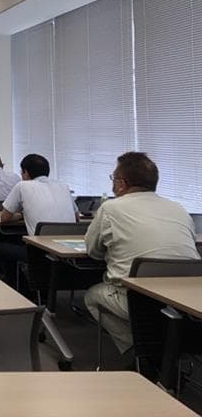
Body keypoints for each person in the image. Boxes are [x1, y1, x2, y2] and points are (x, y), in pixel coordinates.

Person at [84, 152, 200, 355]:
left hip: (138, 301)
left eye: (113, 179)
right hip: (189, 300)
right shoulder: (178, 208)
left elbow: (93, 250)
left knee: (91, 297)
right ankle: (165, 348)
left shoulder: (111, 208)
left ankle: (141, 351)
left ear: (121, 183)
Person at [0, 154, 78, 287]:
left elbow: (4, 218)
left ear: (26, 172)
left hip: (40, 254)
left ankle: (23, 290)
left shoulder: (22, 186)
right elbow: (77, 218)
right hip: (70, 252)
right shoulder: (63, 186)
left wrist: (21, 215)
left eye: (22, 172)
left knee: (0, 248)